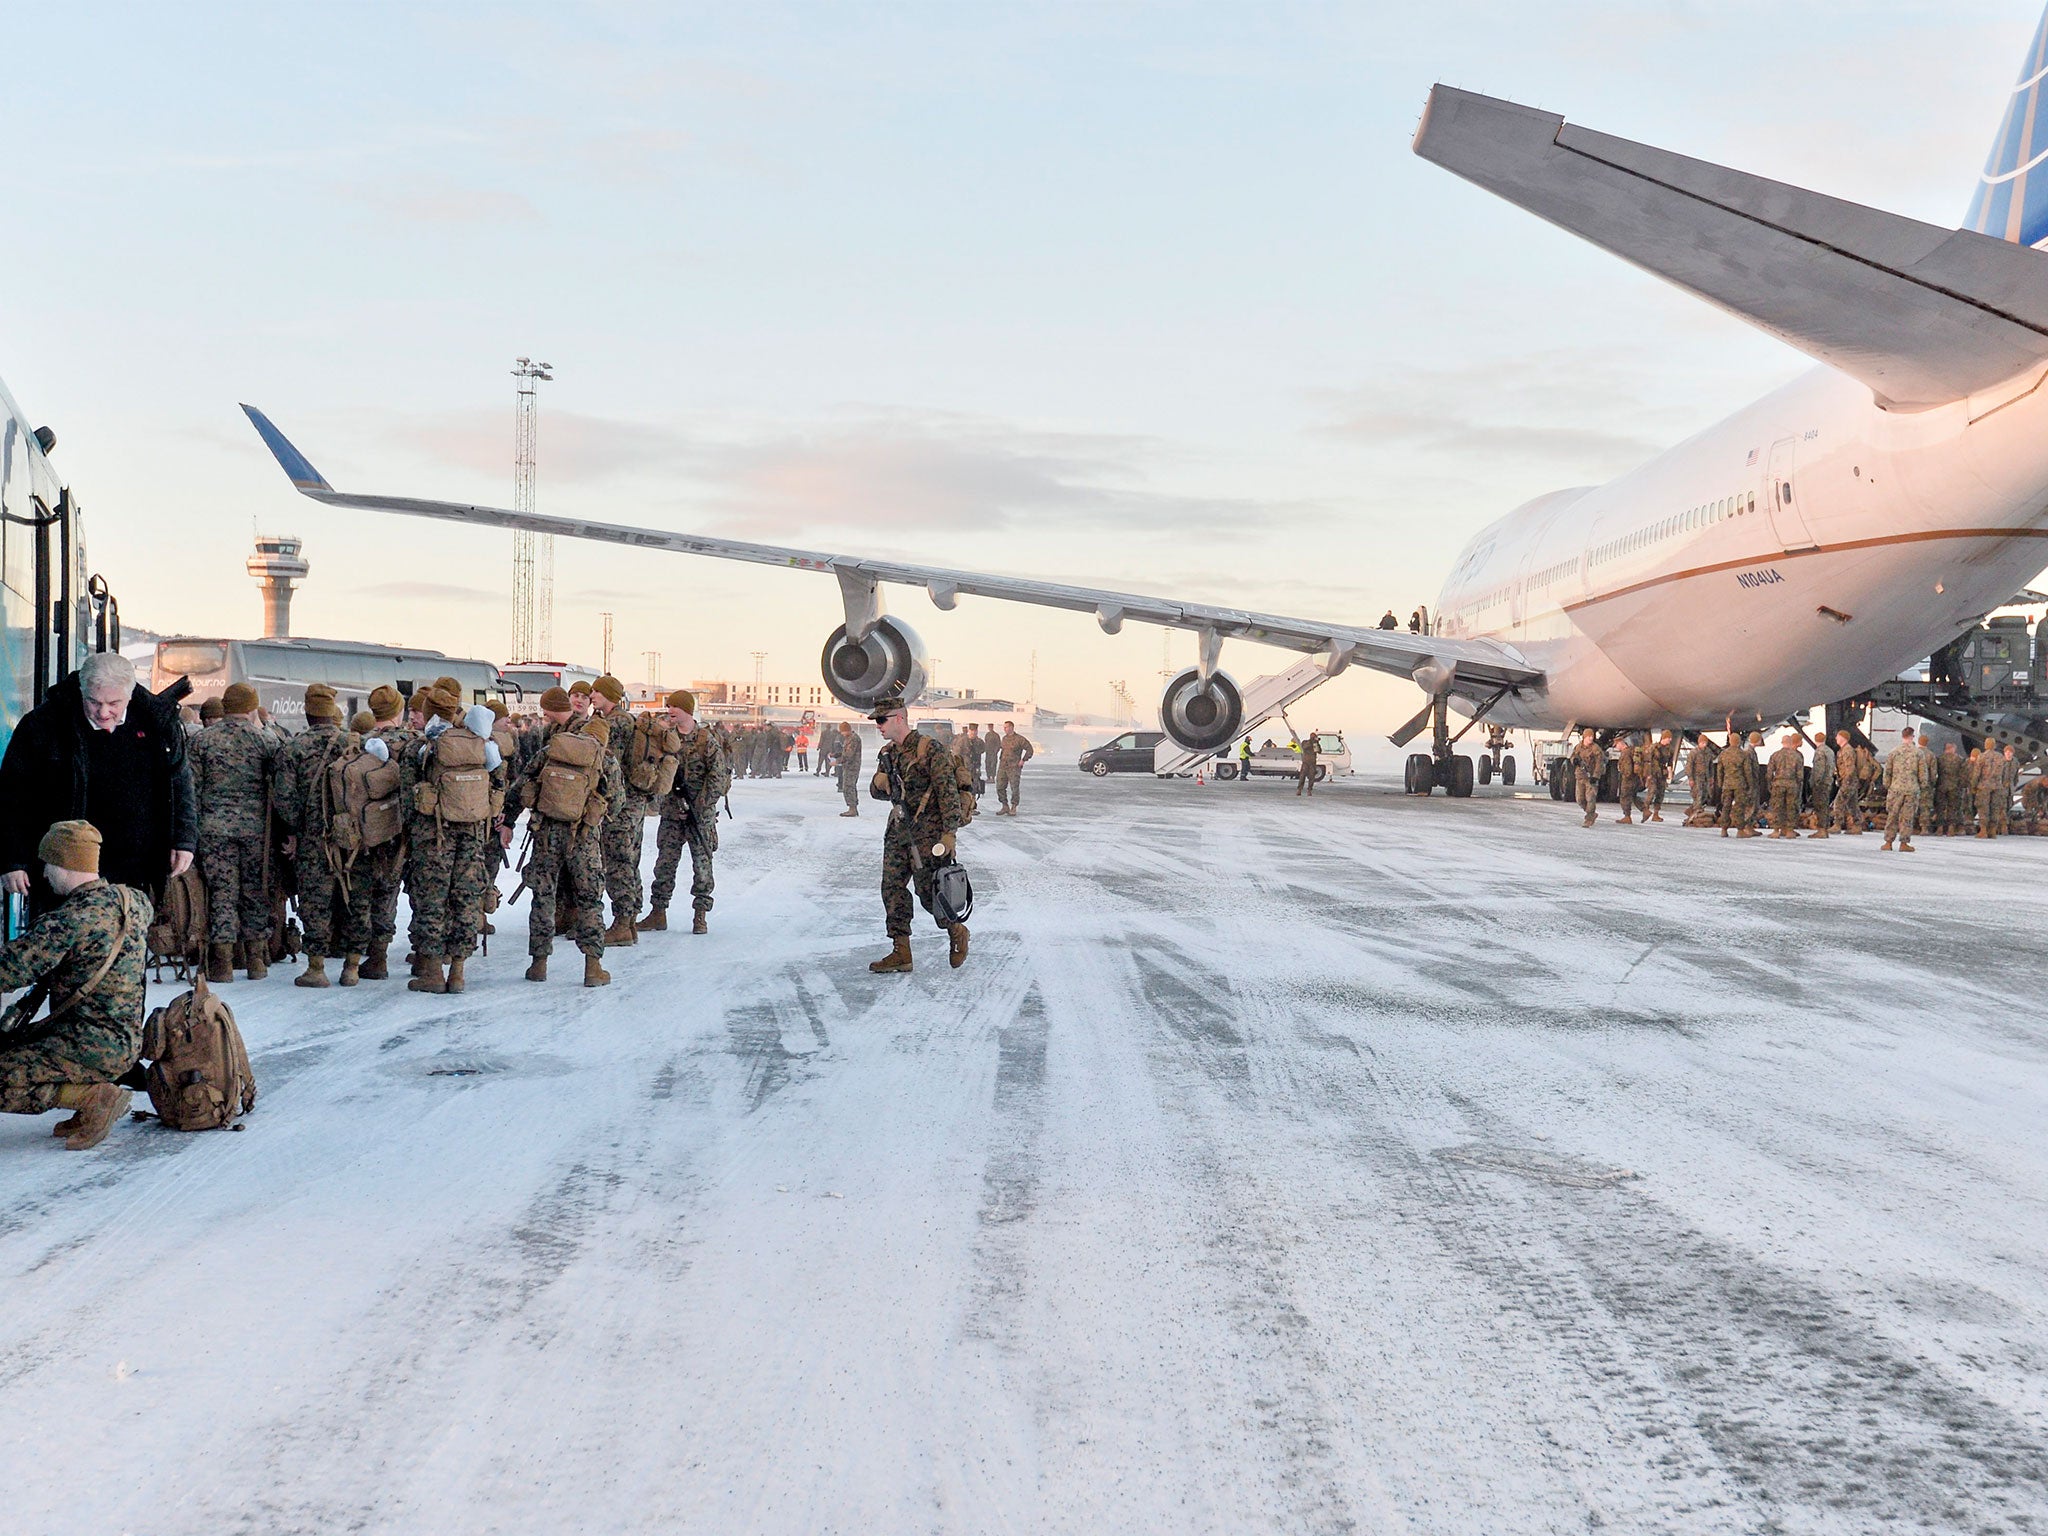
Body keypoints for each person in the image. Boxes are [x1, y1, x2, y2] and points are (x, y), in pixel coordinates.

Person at [0, 651, 196, 911]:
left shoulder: (157, 724)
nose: (104, 712)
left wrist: (183, 840)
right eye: (93, 702)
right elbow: (12, 796)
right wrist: (13, 860)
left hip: (135, 868)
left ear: (130, 694)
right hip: (65, 868)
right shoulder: (43, 725)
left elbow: (180, 784)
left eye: (114, 703)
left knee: (126, 943)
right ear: (82, 691)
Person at [0, 822, 148, 1150]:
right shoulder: (133, 901)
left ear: (67, 865)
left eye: (49, 865)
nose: (45, 874)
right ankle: (88, 1100)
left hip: (88, 1046)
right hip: (125, 1042)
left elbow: (8, 970)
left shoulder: (68, 921)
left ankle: (93, 1097)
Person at [508, 689, 614, 986]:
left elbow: (523, 785)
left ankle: (539, 964)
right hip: (583, 837)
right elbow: (616, 803)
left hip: (546, 834)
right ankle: (593, 968)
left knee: (543, 897)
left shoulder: (551, 750)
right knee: (589, 899)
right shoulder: (604, 759)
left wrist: (509, 818)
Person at [403, 691, 499, 994]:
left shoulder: (423, 747)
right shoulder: (479, 744)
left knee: (432, 900)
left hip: (434, 836)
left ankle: (431, 972)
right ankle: (458, 973)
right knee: (466, 901)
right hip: (471, 836)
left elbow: (408, 796)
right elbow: (498, 783)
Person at [866, 695, 968, 973]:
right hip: (898, 832)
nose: (878, 725)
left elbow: (948, 793)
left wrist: (949, 834)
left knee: (929, 893)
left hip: (928, 835)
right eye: (876, 721)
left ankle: (956, 930)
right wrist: (880, 781)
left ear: (899, 717)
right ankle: (901, 951)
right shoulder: (888, 754)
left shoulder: (929, 749)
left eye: (882, 720)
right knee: (892, 889)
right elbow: (875, 792)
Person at [189, 681, 279, 981]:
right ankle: (256, 961)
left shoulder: (203, 741)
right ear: (252, 708)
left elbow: (192, 790)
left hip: (213, 831)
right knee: (255, 891)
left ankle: (223, 964)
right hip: (256, 832)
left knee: (221, 893)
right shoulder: (265, 741)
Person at [272, 684, 350, 987]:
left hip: (312, 838)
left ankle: (316, 967)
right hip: (349, 838)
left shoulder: (293, 748)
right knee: (350, 895)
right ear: (333, 712)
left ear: (307, 713)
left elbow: (284, 799)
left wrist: (293, 831)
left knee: (315, 900)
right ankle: (352, 963)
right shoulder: (352, 742)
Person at [641, 691, 729, 935]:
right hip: (671, 813)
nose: (670, 710)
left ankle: (700, 915)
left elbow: (717, 778)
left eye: (675, 707)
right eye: (668, 706)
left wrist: (699, 806)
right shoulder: (666, 739)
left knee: (702, 866)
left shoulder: (706, 740)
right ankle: (658, 912)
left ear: (687, 710)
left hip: (699, 816)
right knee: (664, 865)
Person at [589, 676, 657, 948]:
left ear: (609, 696)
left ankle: (621, 923)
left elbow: (606, 761)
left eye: (596, 692)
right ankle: (628, 922)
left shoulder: (616, 723)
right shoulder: (621, 720)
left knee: (618, 862)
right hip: (632, 802)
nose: (592, 694)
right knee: (628, 860)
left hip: (622, 803)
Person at [1880, 726, 1924, 851]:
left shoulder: (1894, 752)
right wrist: (1921, 785)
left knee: (1892, 816)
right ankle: (1904, 843)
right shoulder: (1918, 753)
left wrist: (1888, 786)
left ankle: (1888, 842)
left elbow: (1887, 772)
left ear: (1902, 736)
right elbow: (1923, 774)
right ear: (1912, 736)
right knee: (1907, 817)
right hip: (1911, 790)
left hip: (1896, 789)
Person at [1717, 729, 1757, 837]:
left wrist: (1720, 784)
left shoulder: (1723, 754)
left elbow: (1719, 771)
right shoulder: (1743, 755)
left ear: (1730, 741)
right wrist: (1750, 785)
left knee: (1726, 806)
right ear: (1739, 742)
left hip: (1727, 784)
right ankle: (1740, 830)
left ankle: (1724, 829)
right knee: (1739, 807)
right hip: (1740, 785)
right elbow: (1747, 772)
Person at [1766, 732, 1805, 838]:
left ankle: (1776, 831)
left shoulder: (1775, 755)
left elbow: (1769, 773)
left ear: (1782, 743)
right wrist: (1797, 784)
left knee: (1777, 807)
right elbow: (1800, 775)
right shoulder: (1797, 756)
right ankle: (1790, 831)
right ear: (1791, 742)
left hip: (1778, 784)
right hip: (1792, 785)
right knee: (1791, 807)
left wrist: (1770, 784)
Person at [995, 720, 1034, 816]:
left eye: (1006, 727)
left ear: (1011, 727)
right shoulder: (1004, 739)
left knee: (1014, 788)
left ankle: (1013, 807)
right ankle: (1005, 806)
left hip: (1014, 767)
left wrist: (1023, 760)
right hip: (1003, 766)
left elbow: (1030, 749)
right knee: (1000, 786)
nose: (1004, 729)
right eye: (1004, 727)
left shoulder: (1019, 739)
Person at [1569, 728, 1603, 827]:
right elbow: (1572, 757)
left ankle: (1589, 818)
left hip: (1591, 777)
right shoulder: (1578, 747)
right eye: (1589, 737)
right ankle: (1591, 813)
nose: (1591, 739)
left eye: (1592, 737)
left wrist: (1596, 776)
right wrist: (1574, 761)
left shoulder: (1596, 749)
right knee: (1580, 799)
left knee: (1590, 798)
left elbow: (1599, 764)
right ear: (1584, 737)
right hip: (1580, 776)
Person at [1807, 731, 1836, 839]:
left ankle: (1821, 830)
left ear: (1815, 740)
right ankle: (1825, 829)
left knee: (1820, 806)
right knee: (1825, 806)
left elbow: (1819, 769)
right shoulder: (1830, 751)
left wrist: (1814, 782)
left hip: (1821, 783)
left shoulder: (1820, 752)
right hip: (1828, 781)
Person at [1645, 730, 1675, 822]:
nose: (1670, 740)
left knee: (1660, 794)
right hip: (1653, 773)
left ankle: (1656, 814)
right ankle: (1645, 810)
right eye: (1668, 738)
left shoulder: (1670, 749)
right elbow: (1647, 761)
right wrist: (1647, 774)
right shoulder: (1654, 748)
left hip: (1662, 773)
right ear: (1664, 738)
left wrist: (1670, 774)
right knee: (1652, 791)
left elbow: (1670, 763)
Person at [836, 720, 864, 816]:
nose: (841, 734)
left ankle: (852, 808)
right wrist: (837, 754)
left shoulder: (853, 739)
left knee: (848, 787)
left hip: (852, 766)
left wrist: (838, 761)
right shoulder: (849, 738)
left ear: (846, 730)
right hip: (849, 766)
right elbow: (846, 752)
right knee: (849, 786)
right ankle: (852, 807)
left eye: (842, 731)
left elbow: (849, 754)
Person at [1616, 733, 1644, 824]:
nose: (1616, 747)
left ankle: (1627, 816)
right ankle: (1645, 810)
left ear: (1621, 743)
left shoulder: (1625, 753)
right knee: (1633, 795)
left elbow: (1627, 767)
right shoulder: (1631, 751)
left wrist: (1625, 776)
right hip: (1635, 778)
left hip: (1628, 779)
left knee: (1624, 797)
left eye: (1616, 745)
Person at [1296, 730, 1319, 796]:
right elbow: (1304, 747)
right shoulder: (1305, 742)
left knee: (1312, 777)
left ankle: (1309, 790)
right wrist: (1310, 742)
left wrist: (1316, 743)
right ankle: (1299, 789)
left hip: (1312, 763)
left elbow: (1318, 750)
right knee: (1302, 776)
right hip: (1306, 762)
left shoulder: (1315, 743)